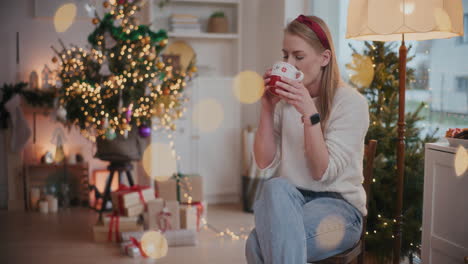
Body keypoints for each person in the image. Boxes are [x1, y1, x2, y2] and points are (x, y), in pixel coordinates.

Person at [245, 15, 370, 263]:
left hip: (340, 209)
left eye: (298, 57)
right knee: (275, 186)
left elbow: (320, 172)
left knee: (256, 245)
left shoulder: (351, 103)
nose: (290, 63)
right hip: (290, 200)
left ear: (324, 58)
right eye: (285, 56)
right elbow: (263, 162)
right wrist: (267, 108)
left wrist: (309, 114)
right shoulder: (284, 104)